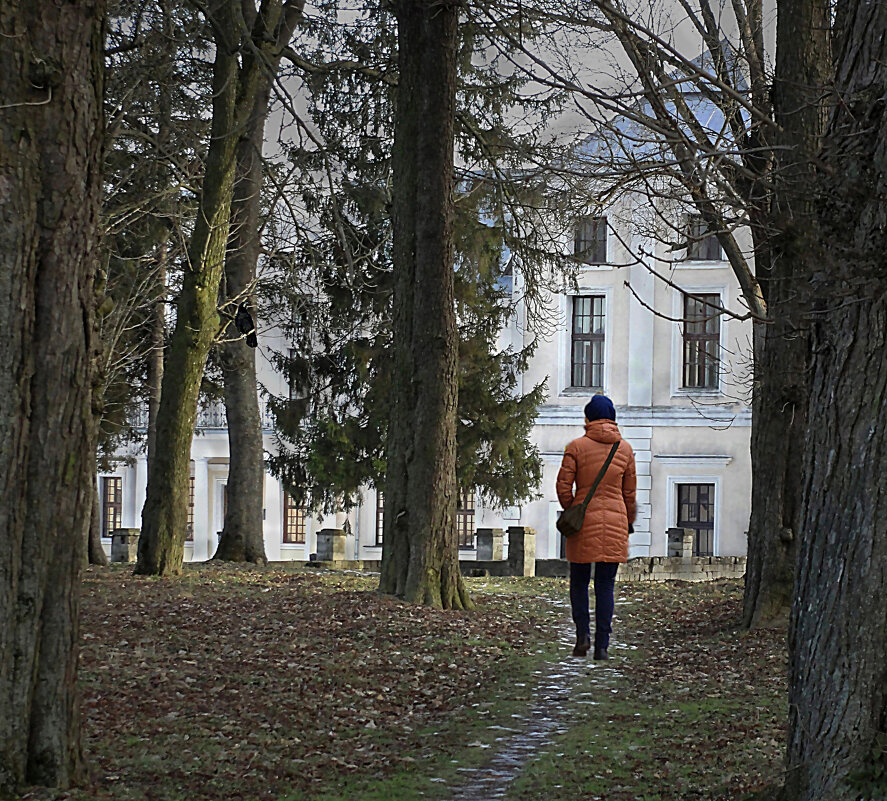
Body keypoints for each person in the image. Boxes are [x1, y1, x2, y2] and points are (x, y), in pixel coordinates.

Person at [556, 394, 637, 659]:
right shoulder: (624, 450)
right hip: (615, 521)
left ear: (588, 418)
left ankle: (582, 636)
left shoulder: (576, 447)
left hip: (583, 523)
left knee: (579, 582)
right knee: (606, 584)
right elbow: (629, 494)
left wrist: (573, 509)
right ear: (612, 418)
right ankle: (602, 645)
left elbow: (563, 486)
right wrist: (628, 521)